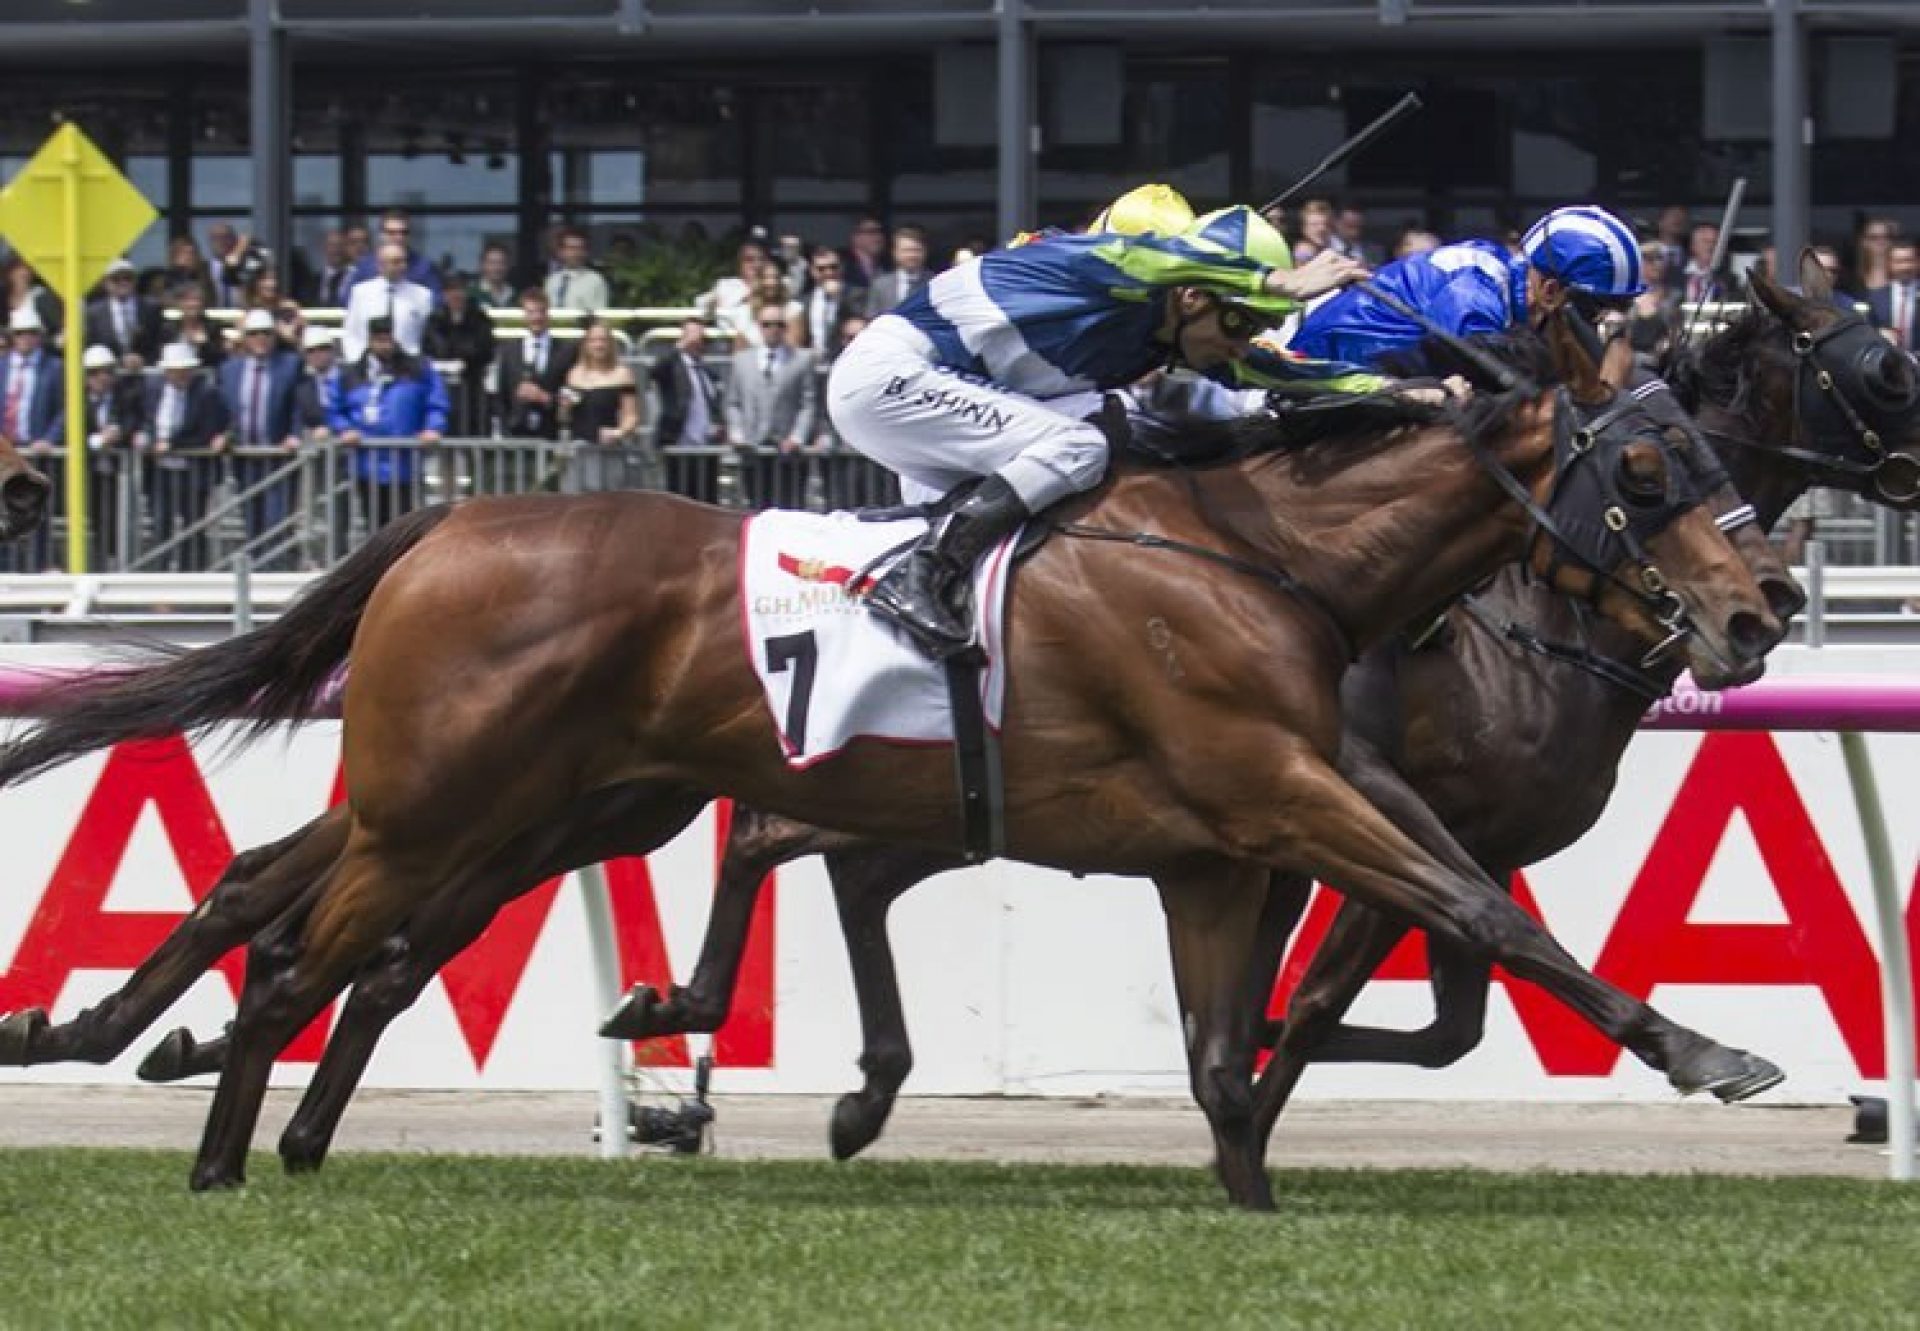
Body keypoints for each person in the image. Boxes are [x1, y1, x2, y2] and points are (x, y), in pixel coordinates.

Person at [830, 205, 1366, 656]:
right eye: (1240, 323)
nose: (1242, 342)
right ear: (1193, 297)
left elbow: (1276, 371)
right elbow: (1150, 261)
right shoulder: (1088, 261)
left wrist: (1407, 390)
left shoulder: (1158, 332)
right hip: (887, 382)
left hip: (924, 408)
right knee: (1080, 443)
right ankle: (924, 571)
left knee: (1107, 420)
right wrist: (1280, 281)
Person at [1289, 204, 1644, 375]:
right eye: (1594, 308)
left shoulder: (1511, 286)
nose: (1598, 323)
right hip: (1324, 375)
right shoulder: (1474, 302)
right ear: (1549, 291)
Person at [327, 316, 448, 531]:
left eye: (387, 338)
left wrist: (433, 427)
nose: (383, 344)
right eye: (378, 339)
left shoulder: (418, 369)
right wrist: (344, 429)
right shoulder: (350, 373)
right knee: (374, 526)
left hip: (404, 463)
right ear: (370, 340)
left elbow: (436, 403)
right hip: (366, 464)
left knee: (404, 526)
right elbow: (335, 408)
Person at [493, 288, 577, 439]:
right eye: (531, 312)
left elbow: (573, 393)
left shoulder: (566, 351)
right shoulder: (509, 351)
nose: (536, 317)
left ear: (548, 314)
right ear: (524, 315)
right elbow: (502, 394)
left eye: (541, 311)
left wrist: (546, 398)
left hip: (552, 433)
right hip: (516, 435)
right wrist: (506, 428)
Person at [424, 271, 497, 434]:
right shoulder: (435, 320)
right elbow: (433, 349)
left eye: (460, 290)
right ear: (444, 295)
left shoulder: (480, 319)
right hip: (442, 384)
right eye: (451, 291)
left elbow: (484, 350)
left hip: (473, 385)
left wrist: (463, 357)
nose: (456, 295)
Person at [341, 242, 433, 362]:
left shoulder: (422, 295)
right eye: (395, 262)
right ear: (380, 265)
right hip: (366, 362)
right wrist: (355, 361)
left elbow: (426, 336)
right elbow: (352, 332)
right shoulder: (361, 292)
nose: (401, 266)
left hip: (409, 364)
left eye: (403, 261)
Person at [561, 322, 639, 446]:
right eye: (593, 340)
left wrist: (617, 433)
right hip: (579, 448)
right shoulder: (574, 375)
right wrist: (564, 407)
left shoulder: (622, 374)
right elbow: (564, 417)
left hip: (609, 448)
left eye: (603, 340)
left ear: (610, 344)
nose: (598, 345)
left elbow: (631, 417)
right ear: (585, 344)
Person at [0, 306, 64, 455]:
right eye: (20, 333)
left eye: (32, 333)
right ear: (12, 336)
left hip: (38, 452)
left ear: (40, 336)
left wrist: (50, 439)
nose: (26, 338)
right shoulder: (2, 366)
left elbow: (66, 409)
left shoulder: (55, 368)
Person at [84, 260, 165, 370]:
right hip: (109, 375)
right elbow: (90, 347)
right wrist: (119, 361)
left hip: (145, 374)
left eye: (128, 278)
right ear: (105, 283)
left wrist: (143, 360)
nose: (123, 283)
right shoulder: (94, 313)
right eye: (116, 279)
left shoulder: (150, 308)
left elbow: (159, 343)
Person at [1866, 239, 1919, 352]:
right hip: (1888, 363)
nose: (1905, 267)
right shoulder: (1876, 298)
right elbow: (1866, 331)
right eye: (1899, 262)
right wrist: (1879, 333)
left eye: (1909, 260)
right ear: (1889, 264)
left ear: (1917, 262)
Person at [543, 228, 611, 313]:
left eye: (580, 248)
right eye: (571, 248)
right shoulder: (552, 280)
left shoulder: (595, 281)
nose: (576, 253)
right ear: (561, 251)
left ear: (586, 252)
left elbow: (600, 315)